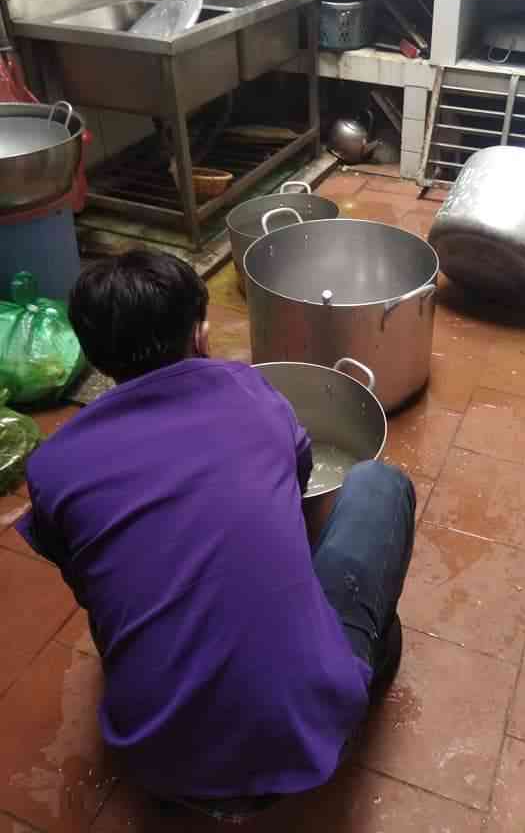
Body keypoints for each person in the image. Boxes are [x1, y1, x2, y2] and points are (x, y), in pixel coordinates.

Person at [15, 248, 415, 822]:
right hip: (304, 740)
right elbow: (299, 480)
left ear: (94, 355)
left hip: (153, 760)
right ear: (200, 335)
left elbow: (82, 574)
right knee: (380, 484)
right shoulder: (251, 395)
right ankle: (364, 660)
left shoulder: (54, 466)